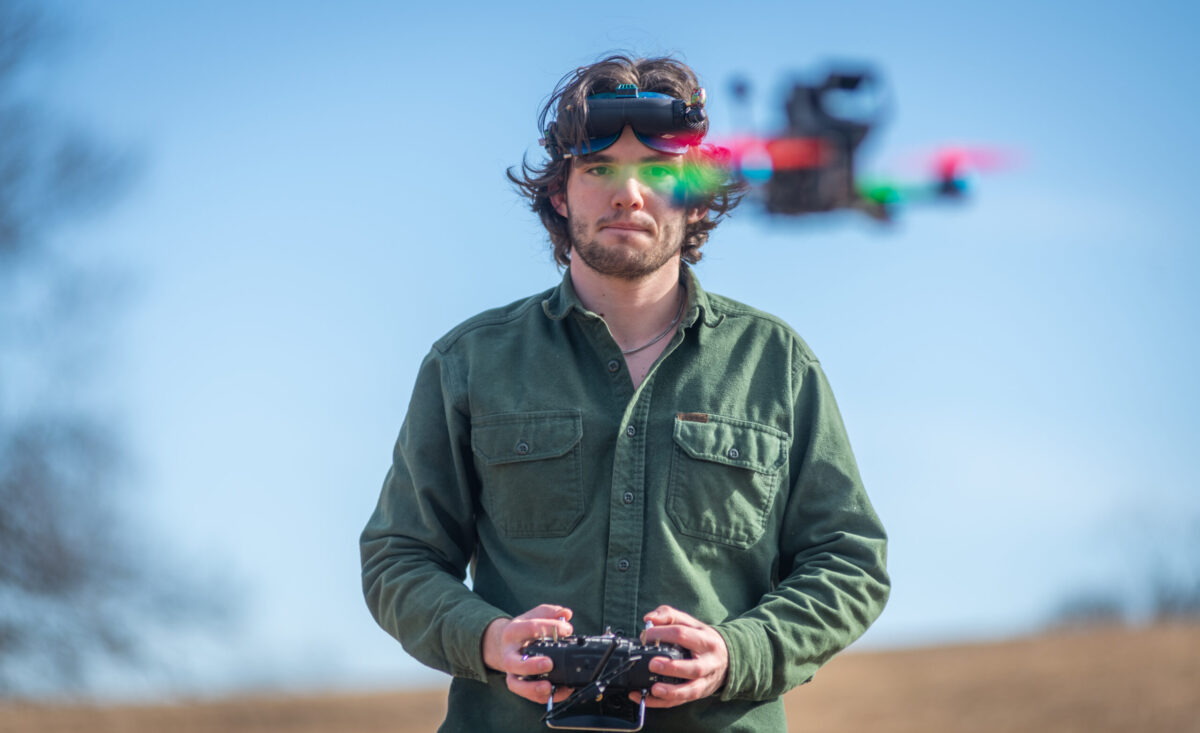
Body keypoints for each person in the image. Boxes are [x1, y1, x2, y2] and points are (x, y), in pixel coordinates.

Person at [361, 54, 889, 733]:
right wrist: (487, 639)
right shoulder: (468, 363)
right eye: (599, 169)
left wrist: (739, 653)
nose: (629, 195)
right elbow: (399, 557)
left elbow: (849, 561)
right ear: (560, 193)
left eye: (658, 171)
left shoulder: (777, 364)